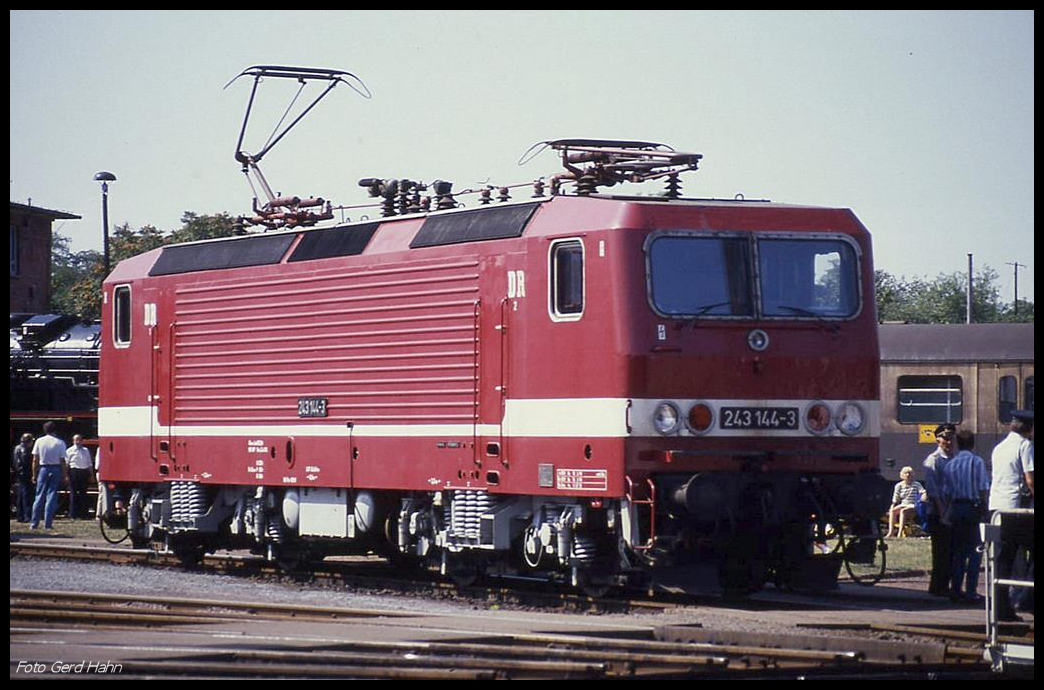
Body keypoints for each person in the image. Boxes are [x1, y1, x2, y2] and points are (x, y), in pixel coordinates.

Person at [988, 409, 1034, 621]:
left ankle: (1001, 608)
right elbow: (1030, 480)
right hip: (1017, 510)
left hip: (998, 509)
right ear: (1028, 429)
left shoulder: (999, 448)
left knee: (1003, 560)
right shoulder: (1025, 446)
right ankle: (1027, 598)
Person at [942, 429, 990, 603]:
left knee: (958, 552)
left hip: (956, 508)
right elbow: (983, 487)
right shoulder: (977, 462)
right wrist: (985, 510)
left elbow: (946, 492)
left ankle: (955, 589)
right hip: (972, 508)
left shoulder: (950, 464)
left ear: (958, 444)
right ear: (972, 444)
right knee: (975, 551)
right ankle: (971, 591)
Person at [922, 423, 956, 595]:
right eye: (945, 438)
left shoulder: (953, 459)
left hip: (950, 510)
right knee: (941, 552)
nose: (948, 442)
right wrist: (943, 513)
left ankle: (945, 586)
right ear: (938, 439)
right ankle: (937, 588)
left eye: (951, 438)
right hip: (938, 512)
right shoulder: (933, 460)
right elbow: (933, 491)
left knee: (950, 552)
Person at [29, 421, 68, 530]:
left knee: (39, 496)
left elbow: (35, 459)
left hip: (43, 468)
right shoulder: (60, 442)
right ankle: (48, 524)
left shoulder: (39, 441)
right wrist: (65, 475)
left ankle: (34, 523)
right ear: (55, 430)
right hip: (55, 468)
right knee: (51, 496)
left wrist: (34, 474)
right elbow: (62, 461)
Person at [884, 466, 926, 538]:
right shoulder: (898, 485)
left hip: (913, 505)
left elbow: (923, 492)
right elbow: (895, 498)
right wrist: (892, 505)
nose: (908, 475)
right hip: (903, 504)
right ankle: (891, 532)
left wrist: (923, 497)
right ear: (902, 475)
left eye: (909, 473)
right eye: (906, 473)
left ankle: (899, 533)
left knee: (903, 511)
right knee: (892, 511)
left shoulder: (917, 484)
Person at [65, 435, 94, 519]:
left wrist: (91, 475)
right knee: (73, 494)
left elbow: (89, 464)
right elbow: (67, 464)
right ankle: (73, 514)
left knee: (83, 494)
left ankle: (83, 514)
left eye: (79, 440)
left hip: (83, 472)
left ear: (82, 441)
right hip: (74, 472)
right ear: (73, 441)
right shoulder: (69, 450)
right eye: (76, 440)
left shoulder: (86, 450)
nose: (78, 442)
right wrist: (66, 475)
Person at [12, 433, 35, 522]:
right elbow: (25, 461)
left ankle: (20, 515)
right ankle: (27, 515)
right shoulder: (25, 449)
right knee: (27, 495)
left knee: (20, 495)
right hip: (26, 473)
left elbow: (15, 461)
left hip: (19, 473)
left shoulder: (16, 448)